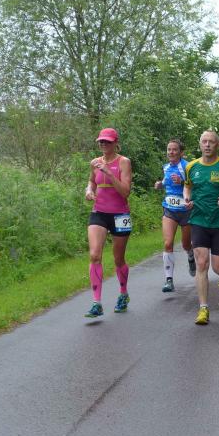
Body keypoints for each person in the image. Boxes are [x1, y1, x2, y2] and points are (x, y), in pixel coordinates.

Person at [184, 130, 219, 325]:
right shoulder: (191, 166)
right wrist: (186, 198)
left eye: (211, 142)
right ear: (200, 144)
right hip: (198, 220)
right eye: (204, 141)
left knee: (217, 267)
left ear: (218, 145)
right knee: (201, 263)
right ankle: (203, 309)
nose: (207, 145)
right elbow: (187, 186)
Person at [84, 128, 133, 318]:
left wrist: (109, 174)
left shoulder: (124, 162)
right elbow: (92, 182)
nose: (103, 144)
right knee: (95, 255)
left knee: (118, 259)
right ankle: (96, 303)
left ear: (115, 143)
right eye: (101, 141)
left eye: (107, 141)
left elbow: (125, 192)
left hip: (120, 215)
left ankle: (123, 294)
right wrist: (89, 191)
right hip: (99, 212)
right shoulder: (94, 162)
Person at [154, 138, 196, 292]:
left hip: (186, 211)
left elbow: (195, 185)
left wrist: (182, 181)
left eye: (174, 150)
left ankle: (190, 255)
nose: (171, 152)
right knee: (168, 243)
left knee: (186, 244)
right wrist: (160, 184)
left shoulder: (187, 167)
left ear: (181, 152)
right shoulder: (166, 167)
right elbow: (166, 182)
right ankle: (169, 280)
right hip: (169, 209)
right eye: (169, 149)